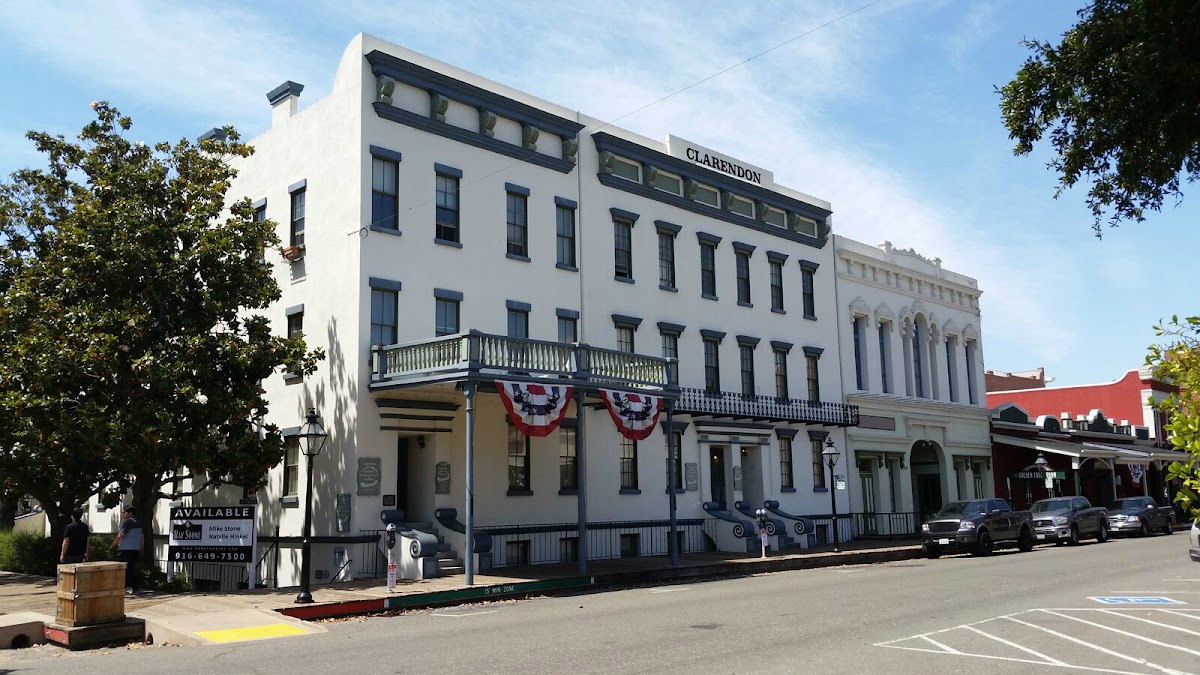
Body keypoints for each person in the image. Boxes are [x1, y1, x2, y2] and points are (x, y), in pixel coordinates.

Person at [111, 505, 143, 595]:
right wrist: (141, 548)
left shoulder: (128, 523)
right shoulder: (139, 523)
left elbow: (120, 535)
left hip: (126, 549)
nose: (123, 514)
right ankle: (135, 586)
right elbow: (142, 537)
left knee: (125, 568)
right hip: (135, 548)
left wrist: (113, 545)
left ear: (130, 513)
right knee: (132, 567)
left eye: (125, 512)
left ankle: (127, 586)